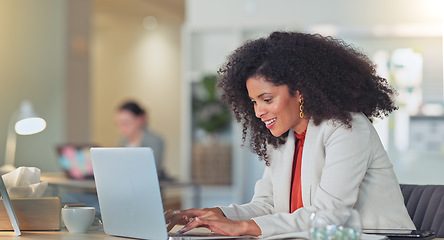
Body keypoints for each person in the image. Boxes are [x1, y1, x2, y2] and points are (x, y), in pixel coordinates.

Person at [165, 31, 415, 238]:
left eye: (267, 99)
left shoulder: (347, 128)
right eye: (253, 102)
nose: (259, 111)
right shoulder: (282, 139)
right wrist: (217, 215)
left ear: (301, 91)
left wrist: (243, 227)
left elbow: (329, 216)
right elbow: (267, 206)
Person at [116, 101, 166, 179]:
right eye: (119, 124)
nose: (122, 128)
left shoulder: (155, 141)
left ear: (139, 120)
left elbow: (153, 168)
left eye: (126, 123)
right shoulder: (123, 141)